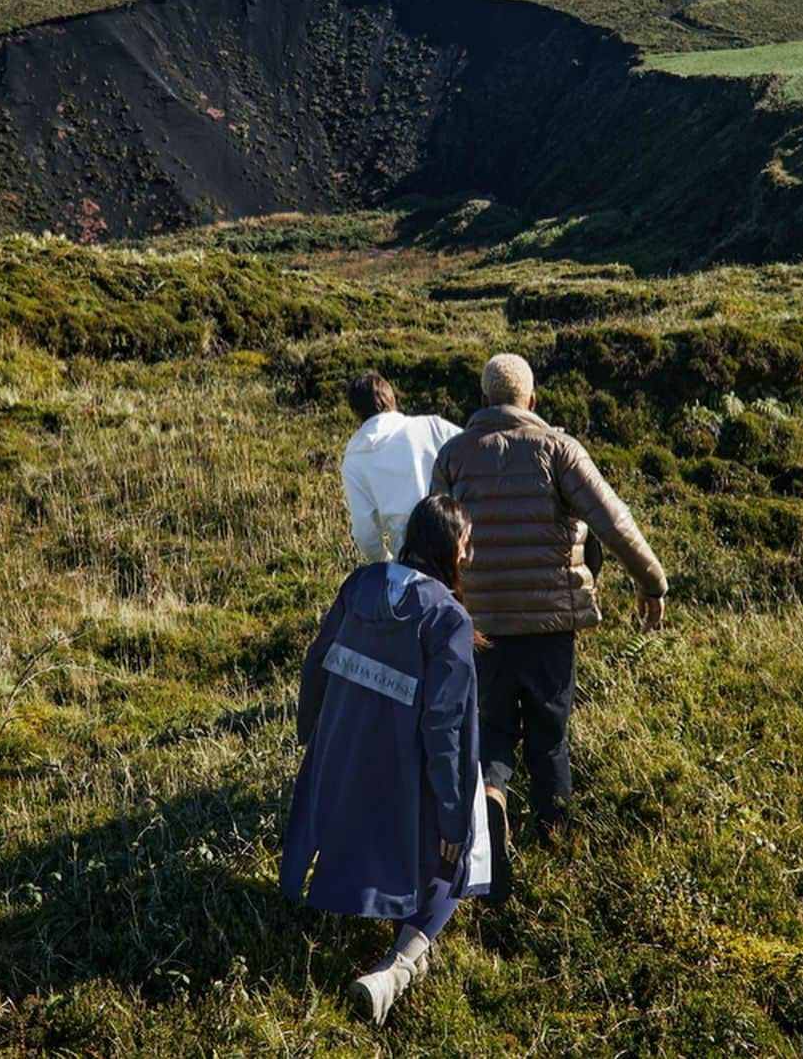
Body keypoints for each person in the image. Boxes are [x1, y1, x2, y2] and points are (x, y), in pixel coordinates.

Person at [431, 352, 667, 899]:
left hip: (480, 624)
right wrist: (652, 584)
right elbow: (615, 523)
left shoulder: (453, 455)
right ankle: (555, 840)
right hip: (549, 625)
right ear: (531, 401)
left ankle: (492, 796)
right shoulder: (558, 449)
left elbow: (436, 536)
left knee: (491, 732)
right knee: (549, 735)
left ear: (485, 399)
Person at [280, 495, 491, 1025]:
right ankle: (395, 970)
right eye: (468, 543)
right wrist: (450, 815)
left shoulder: (361, 584)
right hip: (399, 773)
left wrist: (313, 736)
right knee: (457, 863)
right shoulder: (447, 619)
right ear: (452, 548)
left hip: (342, 753)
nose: (471, 554)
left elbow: (317, 659)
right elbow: (443, 729)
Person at [341, 373, 461, 562]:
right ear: (392, 399)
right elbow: (474, 449)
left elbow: (365, 534)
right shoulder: (431, 426)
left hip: (409, 556)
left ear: (356, 411)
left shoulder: (354, 459)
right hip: (456, 539)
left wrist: (386, 561)